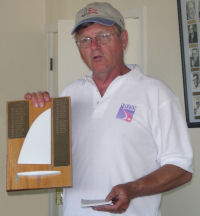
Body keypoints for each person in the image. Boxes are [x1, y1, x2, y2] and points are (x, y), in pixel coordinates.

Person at [25, 2, 193, 216]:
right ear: (79, 48)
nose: (94, 46)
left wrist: (133, 189)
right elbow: (52, 162)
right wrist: (37, 115)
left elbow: (181, 169)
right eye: (85, 40)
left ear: (123, 39)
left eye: (103, 36)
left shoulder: (156, 93)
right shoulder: (69, 94)